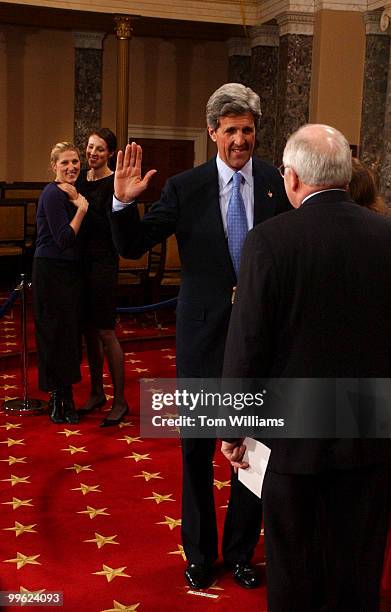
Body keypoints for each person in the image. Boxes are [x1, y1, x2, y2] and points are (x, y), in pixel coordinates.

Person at [110, 83, 291, 589]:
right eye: (230, 130)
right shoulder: (185, 187)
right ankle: (199, 552)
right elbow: (133, 245)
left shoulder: (277, 183)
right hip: (201, 338)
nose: (240, 139)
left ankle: (239, 551)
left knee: (252, 449)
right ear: (212, 131)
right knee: (196, 450)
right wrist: (123, 205)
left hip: (259, 340)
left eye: (248, 130)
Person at [221, 124, 391, 611]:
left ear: (291, 178)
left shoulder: (269, 241)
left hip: (294, 438)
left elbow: (248, 342)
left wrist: (232, 428)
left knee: (294, 570)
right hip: (371, 433)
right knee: (357, 570)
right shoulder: (386, 235)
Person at [75, 128, 128, 427]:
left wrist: (79, 204)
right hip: (80, 264)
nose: (92, 152)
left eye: (99, 149)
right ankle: (97, 393)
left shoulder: (113, 182)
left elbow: (110, 225)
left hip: (104, 263)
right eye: (90, 147)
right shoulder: (80, 178)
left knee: (106, 332)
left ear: (109, 153)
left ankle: (120, 399)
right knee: (88, 333)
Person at [32, 142, 88, 424]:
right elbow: (64, 240)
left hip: (71, 272)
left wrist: (79, 201)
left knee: (69, 337)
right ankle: (57, 397)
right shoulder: (53, 193)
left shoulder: (75, 193)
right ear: (54, 166)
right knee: (53, 335)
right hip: (50, 271)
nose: (71, 167)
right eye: (65, 162)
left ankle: (67, 396)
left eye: (75, 162)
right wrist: (81, 210)